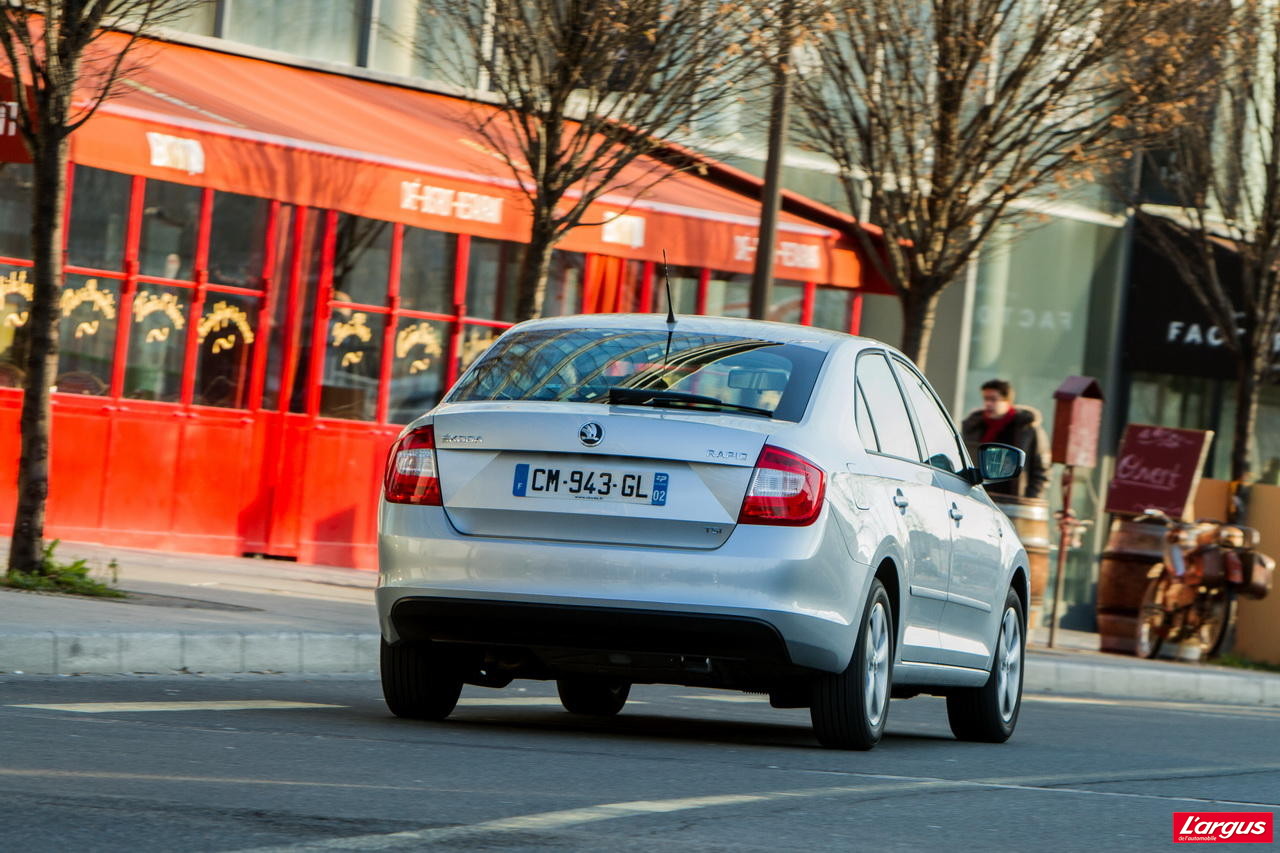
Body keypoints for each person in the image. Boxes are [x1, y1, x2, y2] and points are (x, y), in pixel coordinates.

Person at [960, 379, 1050, 499]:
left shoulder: (1027, 429)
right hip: (977, 495)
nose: (988, 404)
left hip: (1012, 500)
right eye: (985, 399)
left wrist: (1030, 499)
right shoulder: (974, 426)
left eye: (993, 399)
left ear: (1007, 401)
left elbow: (1041, 469)